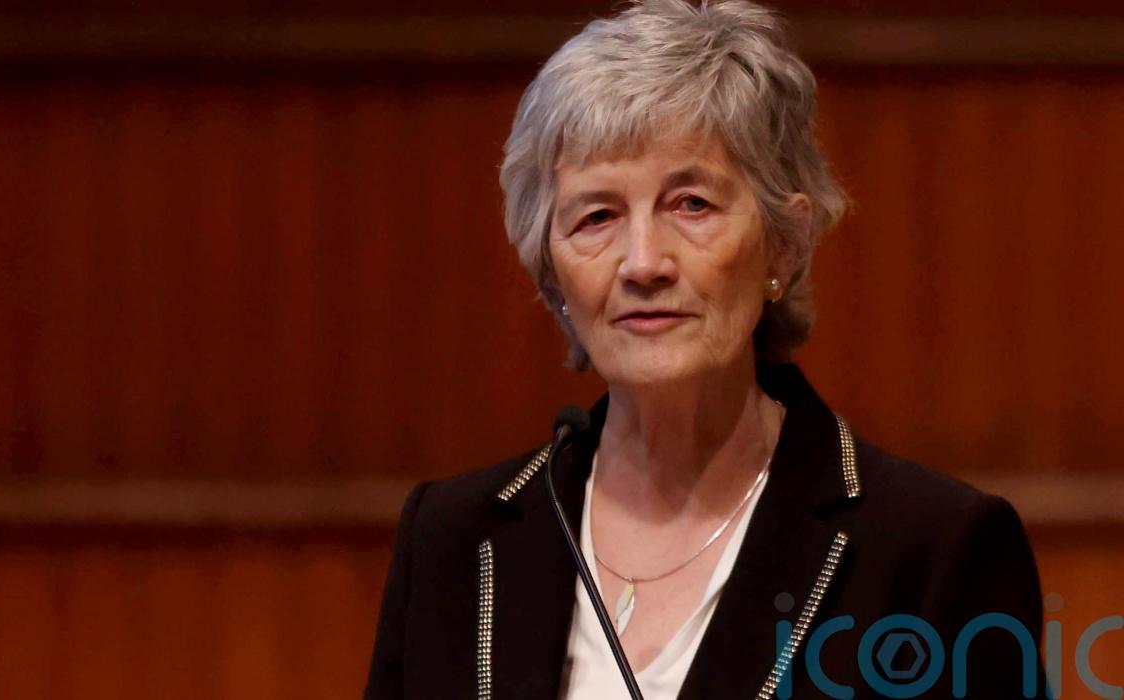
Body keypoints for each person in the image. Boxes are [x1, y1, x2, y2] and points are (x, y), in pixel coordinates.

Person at [364, 1, 1046, 697]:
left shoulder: (933, 550)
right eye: (597, 216)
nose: (643, 263)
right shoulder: (451, 538)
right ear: (553, 275)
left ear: (784, 243)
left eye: (691, 204)